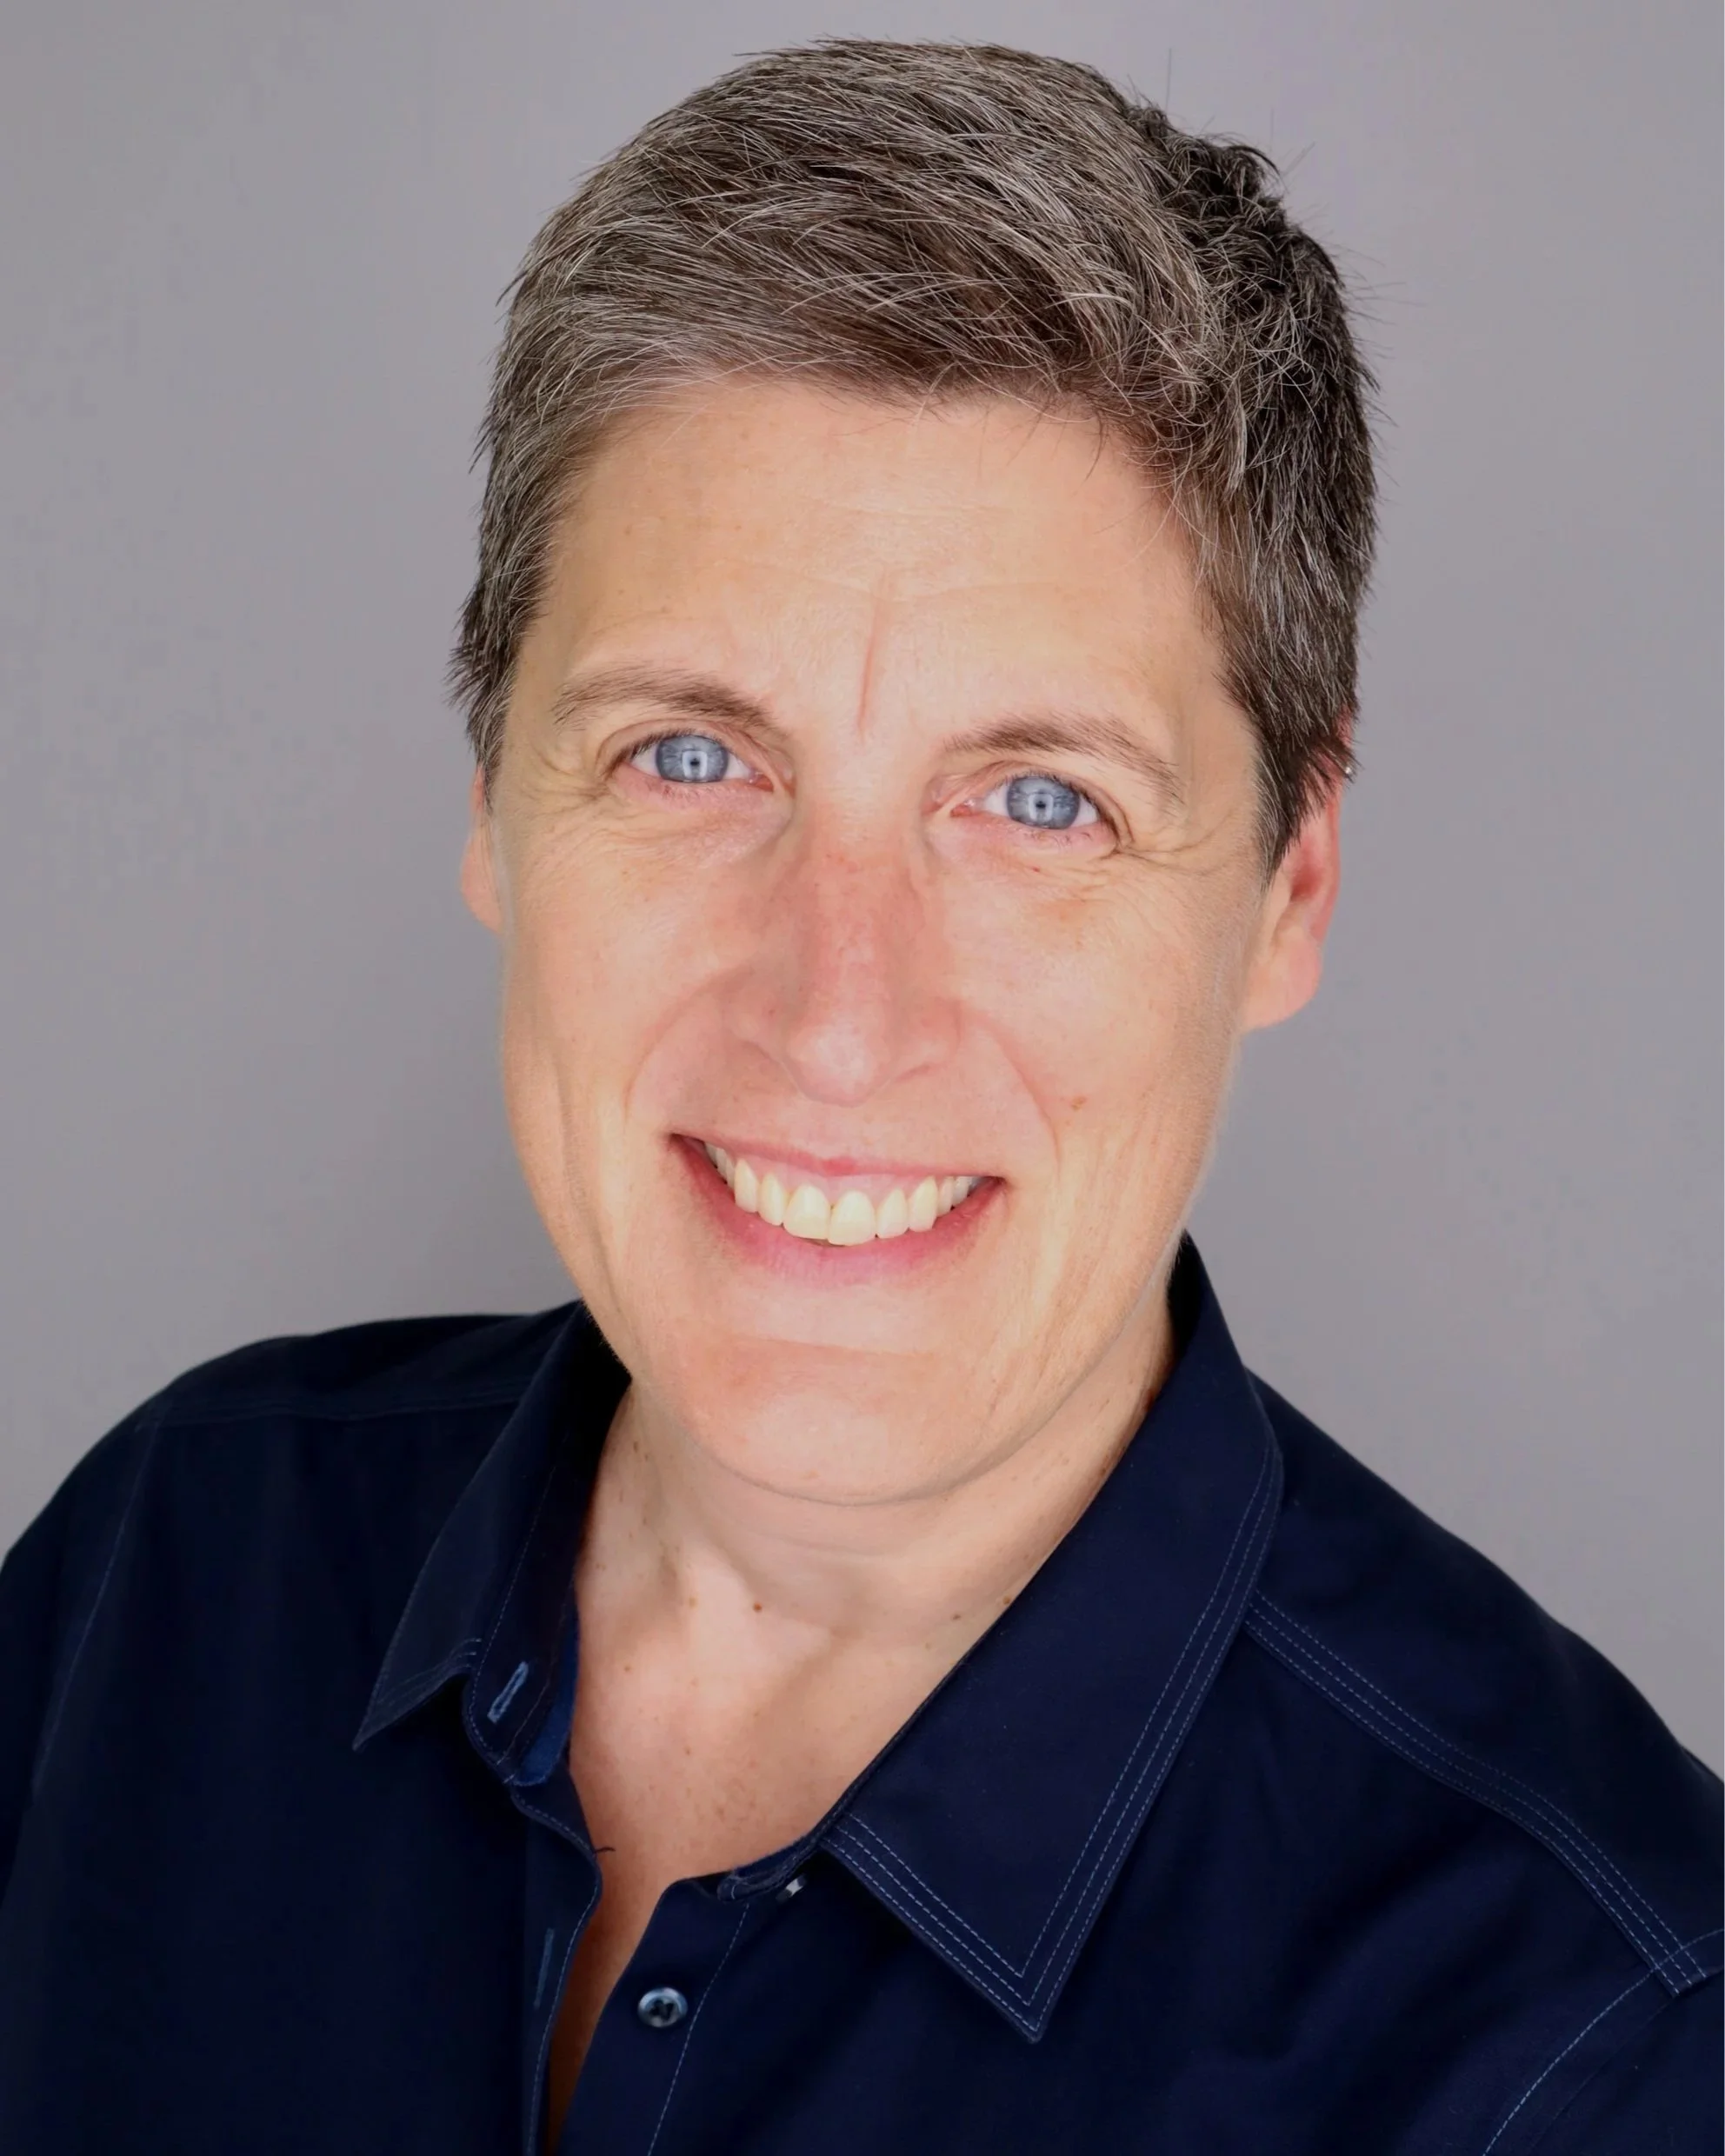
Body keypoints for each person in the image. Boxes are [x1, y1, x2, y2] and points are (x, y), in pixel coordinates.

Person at [0, 37, 1715, 2154]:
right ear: (490, 792)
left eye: (1038, 800)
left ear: (1288, 883)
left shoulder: (1600, 2045)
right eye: (689, 756)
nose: (835, 1017)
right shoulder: (159, 1580)